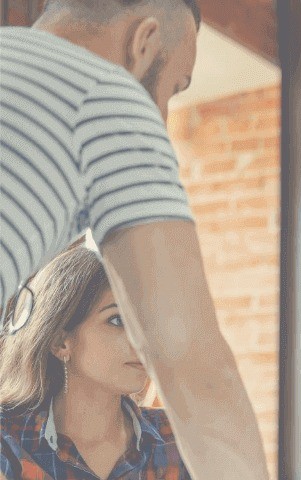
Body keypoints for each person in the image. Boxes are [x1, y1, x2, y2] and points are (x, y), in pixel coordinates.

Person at [0, 1, 267, 477]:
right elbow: (192, 364)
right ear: (142, 42)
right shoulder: (105, 95)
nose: (160, 118)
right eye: (171, 90)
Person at [0, 246, 191, 479]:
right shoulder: (7, 440)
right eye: (117, 319)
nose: (142, 340)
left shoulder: (178, 439)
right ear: (61, 342)